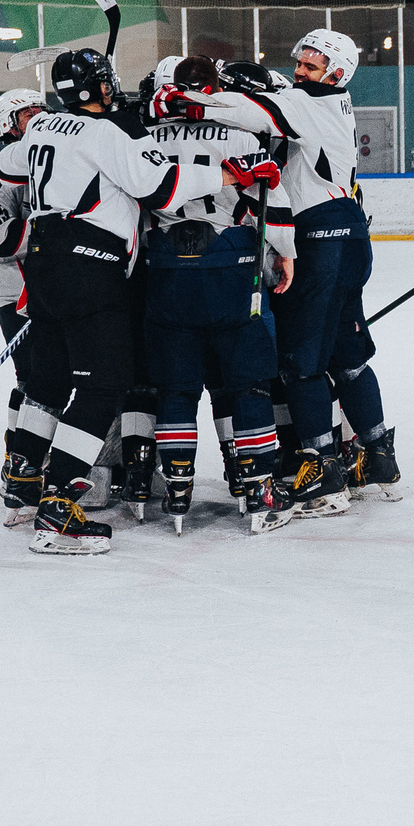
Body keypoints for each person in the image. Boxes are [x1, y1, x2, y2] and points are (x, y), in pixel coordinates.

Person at [0, 49, 235, 554]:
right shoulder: (110, 133)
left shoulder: (40, 128)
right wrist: (229, 177)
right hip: (90, 267)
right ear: (101, 87)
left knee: (49, 379)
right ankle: (58, 504)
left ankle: (22, 477)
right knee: (105, 384)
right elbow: (164, 191)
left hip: (42, 263)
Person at [155, 29, 396, 518]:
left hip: (318, 236)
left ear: (337, 72)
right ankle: (378, 460)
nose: (301, 69)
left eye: (312, 63)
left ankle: (322, 470)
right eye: (301, 60)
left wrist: (189, 99)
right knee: (347, 357)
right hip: (348, 232)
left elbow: (250, 111)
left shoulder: (314, 104)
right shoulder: (320, 103)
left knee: (301, 364)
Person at [140, 56, 295, 533]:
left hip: (167, 274)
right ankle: (257, 487)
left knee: (177, 385)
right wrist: (285, 254)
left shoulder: (146, 141)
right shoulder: (244, 139)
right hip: (232, 271)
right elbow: (271, 205)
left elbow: (137, 205)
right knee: (247, 382)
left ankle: (179, 486)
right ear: (214, 90)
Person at [0, 87, 51, 524]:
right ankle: (19, 468)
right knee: (33, 381)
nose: (40, 116)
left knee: (59, 381)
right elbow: (6, 242)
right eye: (29, 113)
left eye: (43, 109)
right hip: (18, 297)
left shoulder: (57, 162)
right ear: (8, 124)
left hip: (57, 292)